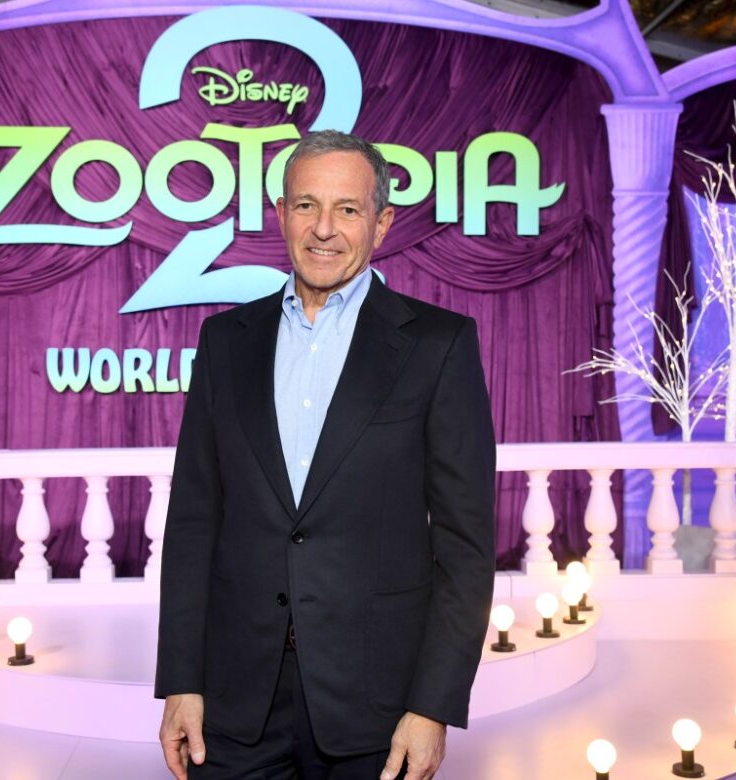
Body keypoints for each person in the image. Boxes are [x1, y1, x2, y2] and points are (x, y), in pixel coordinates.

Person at [155, 129, 496, 780]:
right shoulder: (226, 341)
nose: (324, 229)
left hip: (377, 704)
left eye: (348, 209)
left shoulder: (439, 345)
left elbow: (465, 547)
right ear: (281, 213)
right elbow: (194, 522)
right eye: (307, 205)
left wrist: (433, 707)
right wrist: (181, 681)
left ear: (381, 222)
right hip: (234, 699)